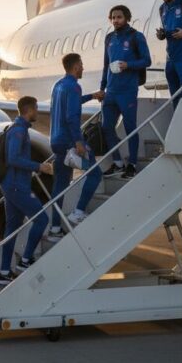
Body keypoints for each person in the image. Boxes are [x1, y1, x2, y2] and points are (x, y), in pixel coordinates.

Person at [47, 53, 105, 240]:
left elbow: (69, 105)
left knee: (60, 186)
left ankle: (55, 229)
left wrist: (92, 96)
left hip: (55, 142)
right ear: (75, 67)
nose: (83, 67)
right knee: (95, 174)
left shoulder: (59, 86)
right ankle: (78, 211)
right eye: (81, 64)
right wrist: (79, 142)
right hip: (69, 142)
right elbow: (72, 117)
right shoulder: (74, 87)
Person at [0, 96, 54, 283]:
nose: (37, 112)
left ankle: (4, 273)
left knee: (12, 228)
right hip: (16, 186)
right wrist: (39, 166)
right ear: (29, 110)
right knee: (42, 219)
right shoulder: (19, 131)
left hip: (13, 185)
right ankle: (25, 259)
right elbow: (13, 158)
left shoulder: (18, 129)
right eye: (36, 109)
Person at [99, 4, 152, 180]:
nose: (116, 20)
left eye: (119, 17)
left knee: (130, 128)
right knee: (106, 127)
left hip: (128, 90)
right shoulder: (109, 38)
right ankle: (118, 163)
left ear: (127, 18)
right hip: (111, 90)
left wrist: (128, 65)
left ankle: (132, 164)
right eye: (113, 17)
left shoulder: (136, 37)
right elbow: (106, 65)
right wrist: (102, 87)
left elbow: (147, 61)